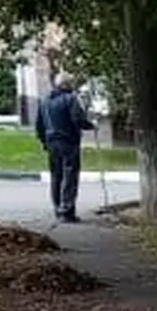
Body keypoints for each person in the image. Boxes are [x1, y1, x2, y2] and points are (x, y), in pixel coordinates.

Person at [34, 72, 96, 223]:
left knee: (56, 176)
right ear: (67, 85)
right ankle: (67, 211)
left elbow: (39, 125)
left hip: (51, 142)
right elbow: (78, 119)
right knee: (70, 176)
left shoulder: (44, 101)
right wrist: (91, 125)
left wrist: (44, 142)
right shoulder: (71, 99)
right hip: (68, 142)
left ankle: (57, 208)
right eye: (72, 83)